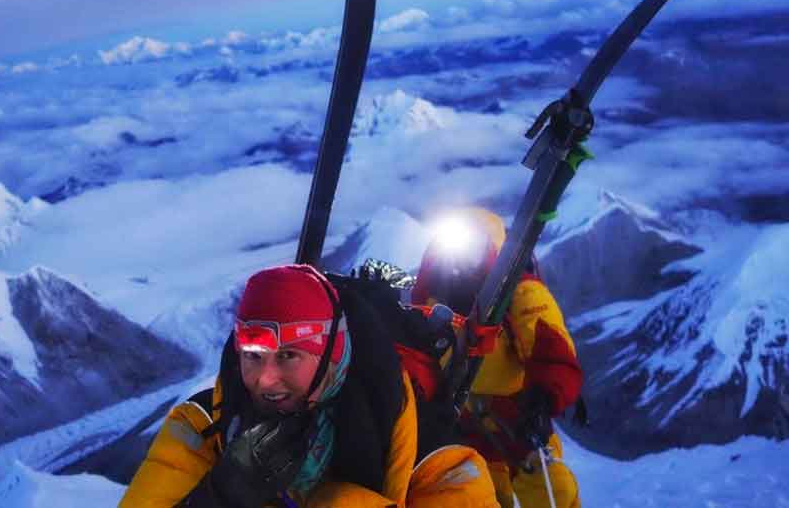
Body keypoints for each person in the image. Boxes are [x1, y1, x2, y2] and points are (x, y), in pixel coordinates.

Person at [120, 263, 500, 507]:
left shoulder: (428, 454)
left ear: (333, 355)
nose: (265, 379)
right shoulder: (203, 427)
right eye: (252, 356)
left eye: (288, 356)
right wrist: (218, 498)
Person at [404, 207, 583, 508]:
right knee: (483, 497)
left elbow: (553, 352)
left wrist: (544, 398)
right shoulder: (432, 299)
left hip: (520, 421)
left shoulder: (522, 295)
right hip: (464, 424)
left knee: (553, 492)